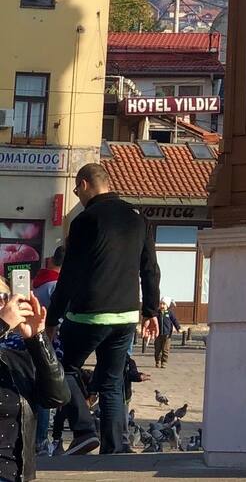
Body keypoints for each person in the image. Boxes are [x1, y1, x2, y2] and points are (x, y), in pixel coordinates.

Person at [47, 164, 161, 455]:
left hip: (89, 312)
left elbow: (69, 274)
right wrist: (151, 311)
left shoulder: (86, 220)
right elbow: (150, 268)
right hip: (126, 315)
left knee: (62, 367)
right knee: (111, 382)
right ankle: (114, 450)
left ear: (85, 184)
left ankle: (84, 431)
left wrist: (52, 318)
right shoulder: (138, 218)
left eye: (77, 190)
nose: (78, 195)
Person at [0, 279, 71, 480]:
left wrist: (37, 338)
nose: (5, 306)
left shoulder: (15, 357)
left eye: (6, 298)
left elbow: (57, 397)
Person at [153, 298, 180, 369]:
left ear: (167, 305)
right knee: (157, 349)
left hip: (167, 335)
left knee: (165, 350)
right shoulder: (157, 313)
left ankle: (164, 362)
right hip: (158, 335)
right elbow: (153, 321)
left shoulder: (169, 313)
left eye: (164, 304)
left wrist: (178, 328)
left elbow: (174, 321)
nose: (162, 305)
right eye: (161, 304)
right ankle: (157, 361)